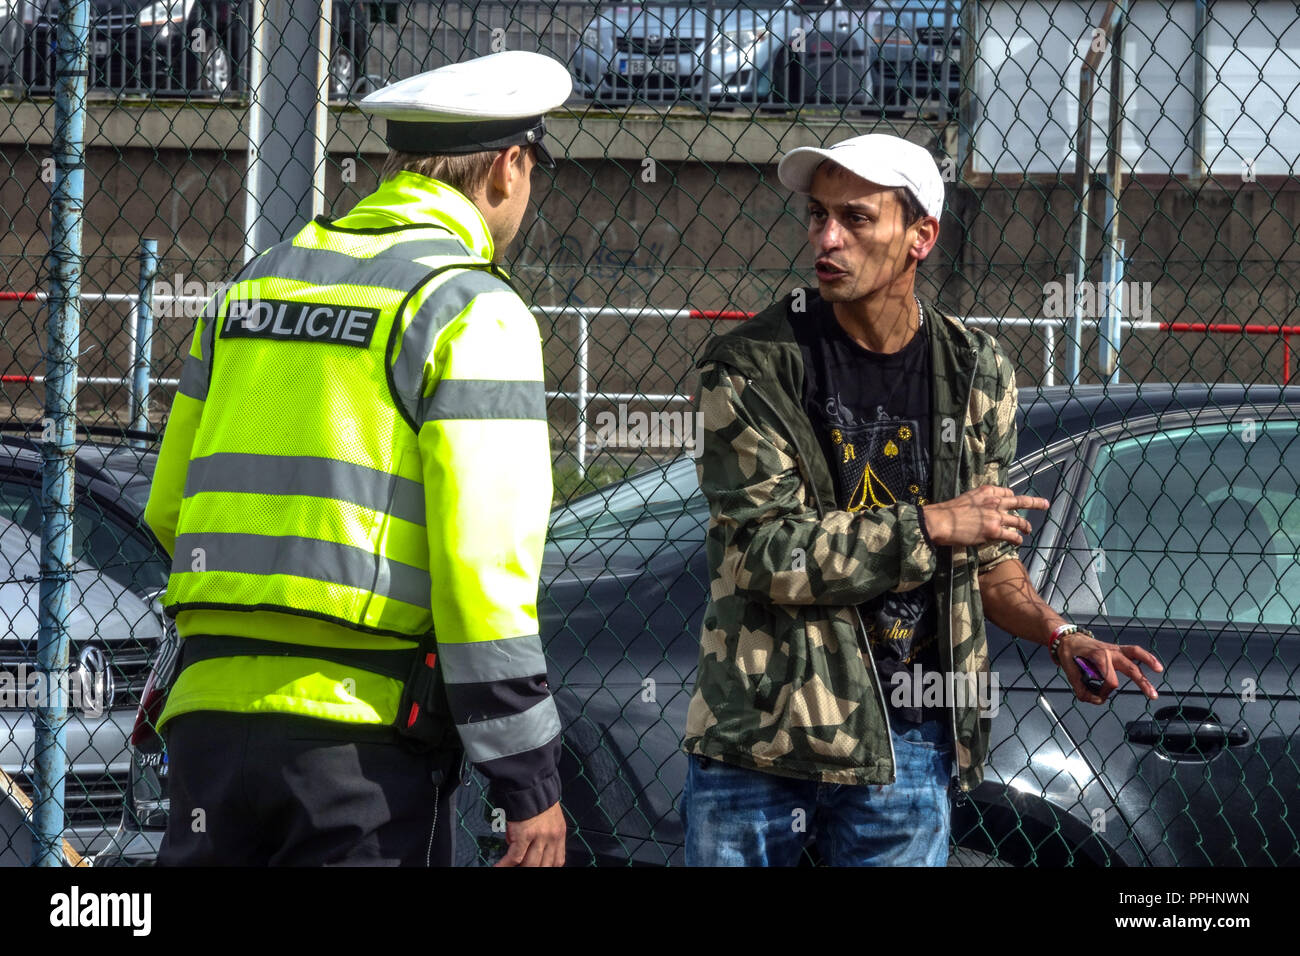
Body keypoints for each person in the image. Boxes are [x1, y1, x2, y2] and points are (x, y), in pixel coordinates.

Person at [679, 132, 1164, 866]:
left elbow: (991, 563)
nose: (827, 237)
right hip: (766, 741)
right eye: (817, 216)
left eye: (857, 218)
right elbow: (762, 552)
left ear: (921, 237)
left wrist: (1063, 636)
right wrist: (931, 525)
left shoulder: (976, 369)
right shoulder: (754, 366)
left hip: (911, 741)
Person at [144, 50, 572, 867]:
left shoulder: (254, 287)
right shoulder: (469, 309)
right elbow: (481, 572)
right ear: (510, 168)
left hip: (204, 720)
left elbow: (171, 510)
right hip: (363, 748)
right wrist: (526, 777)